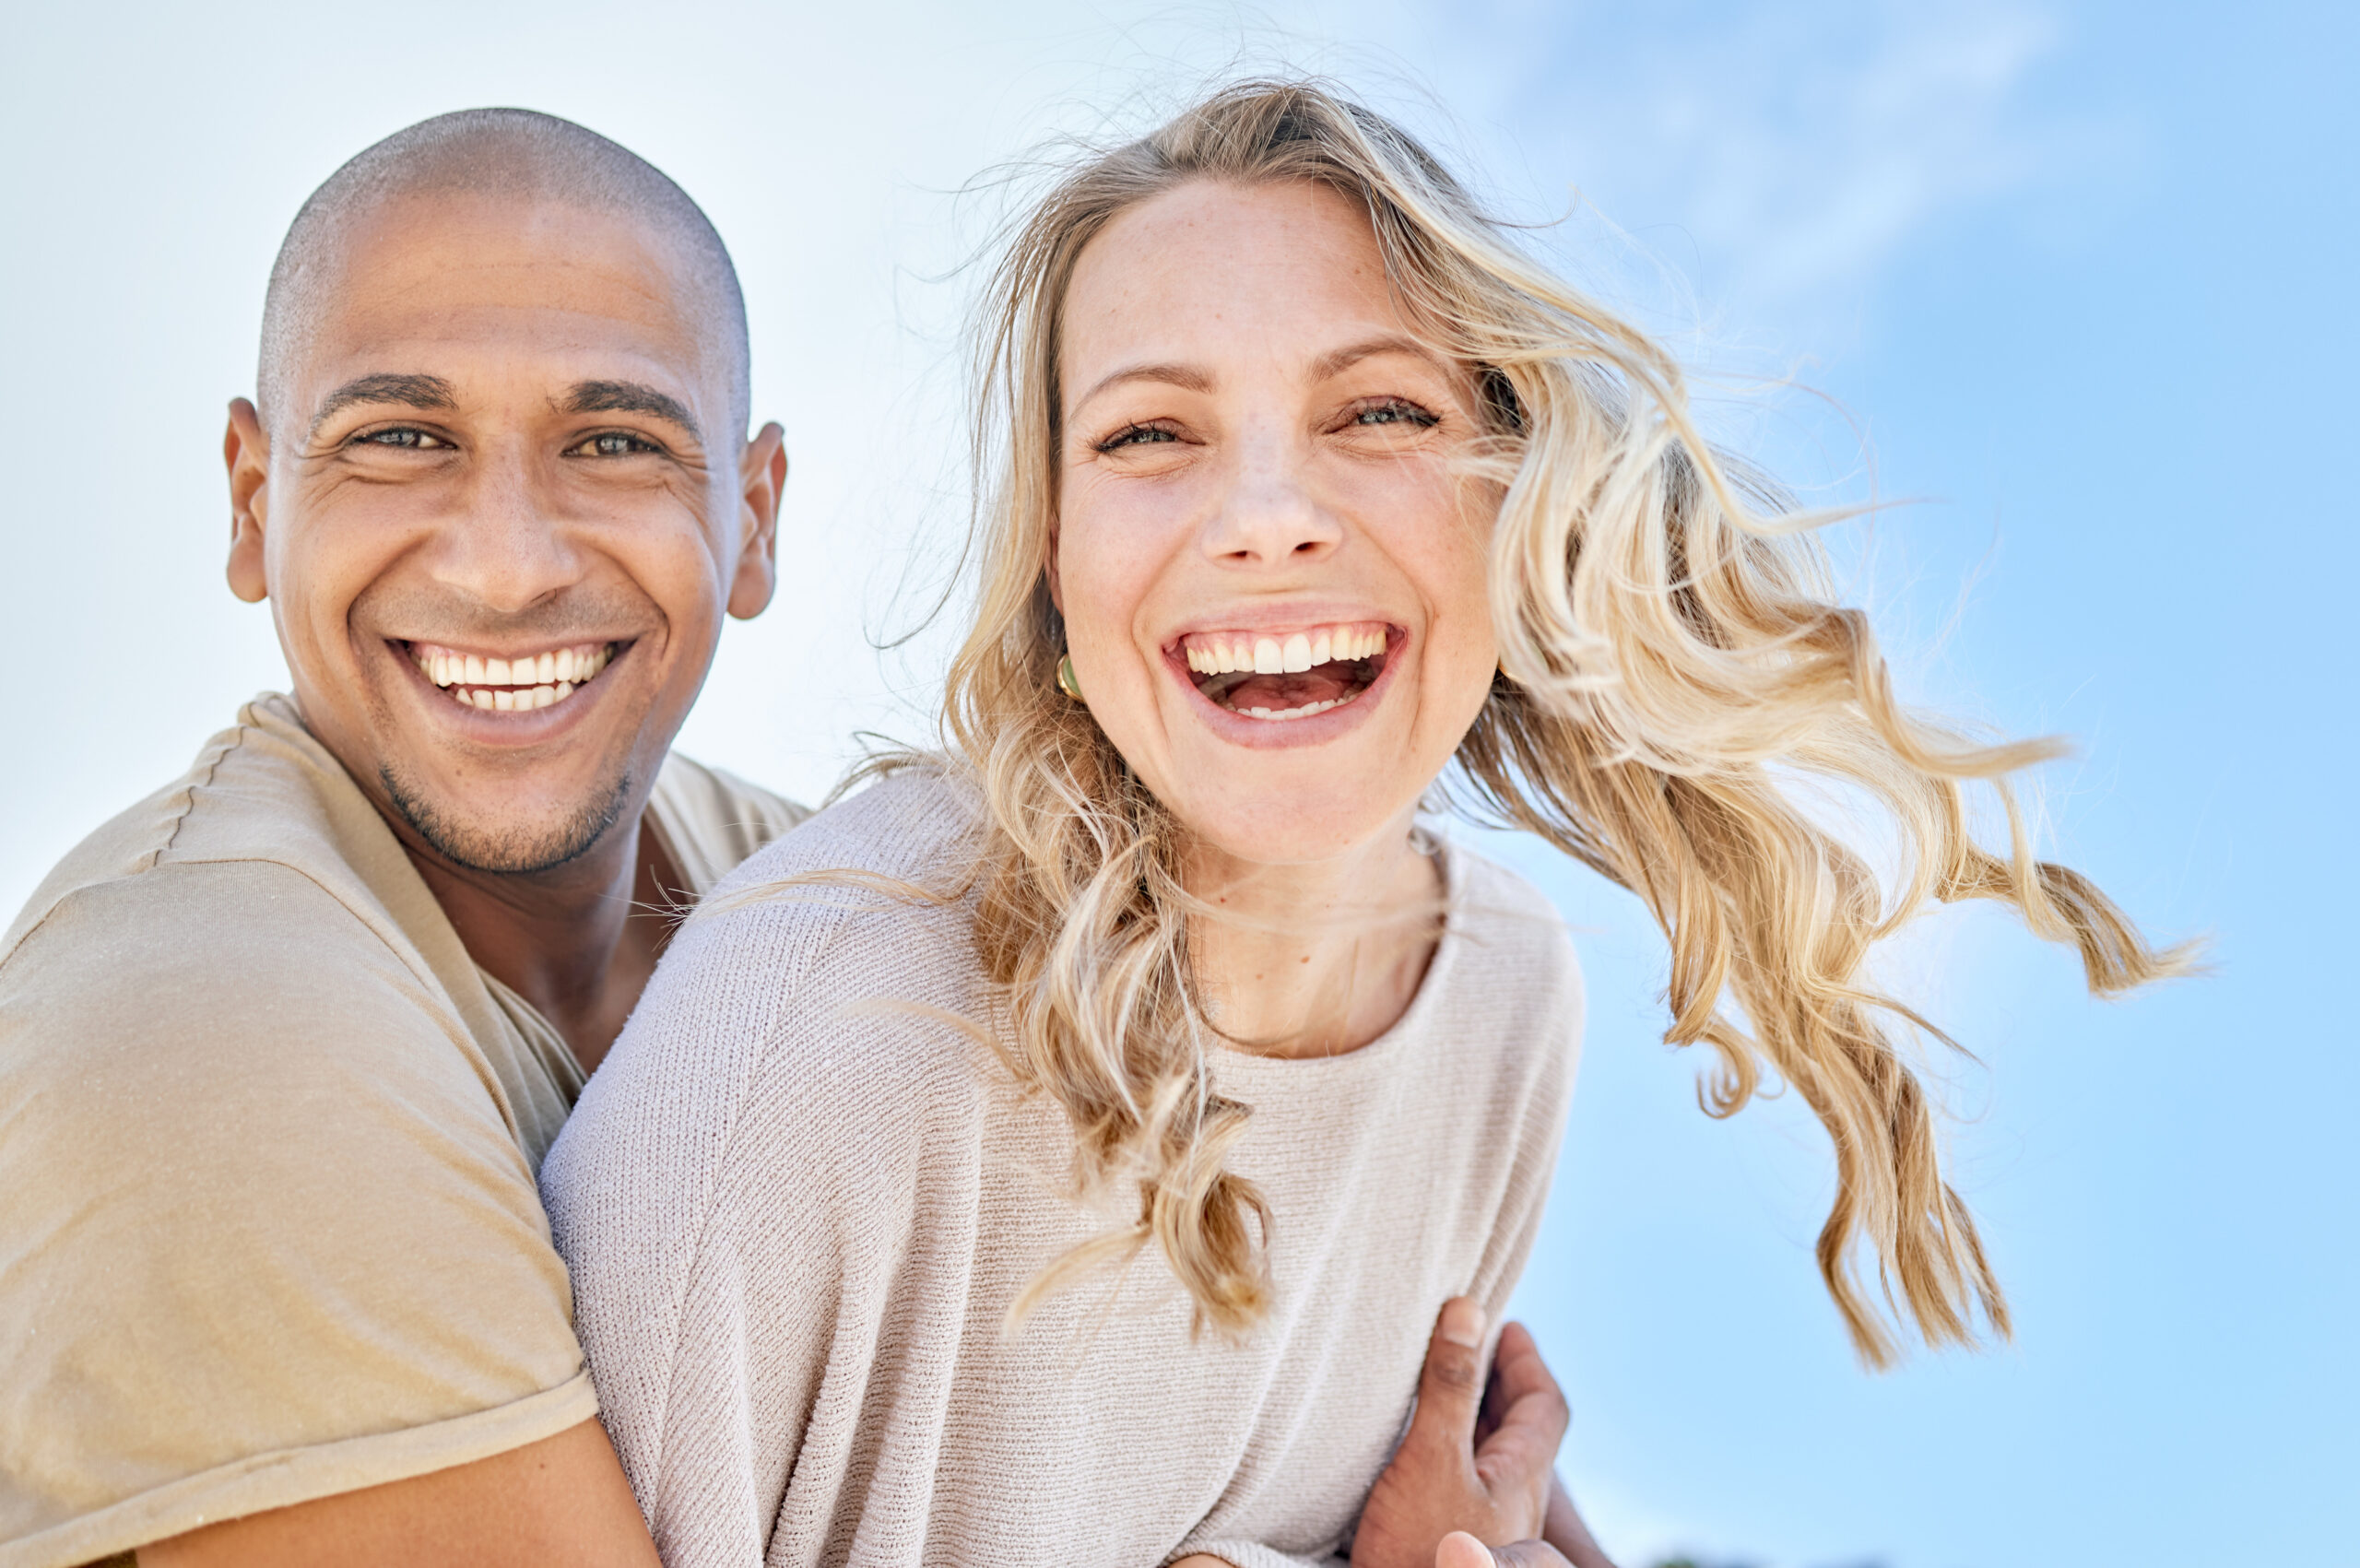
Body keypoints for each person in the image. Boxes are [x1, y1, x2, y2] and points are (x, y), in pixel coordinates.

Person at [542, 77, 2188, 1568]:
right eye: (1149, 434)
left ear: (1512, 493)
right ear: (1054, 548)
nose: (1267, 517)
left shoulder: (1505, 1001)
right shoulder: (817, 1029)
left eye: (1381, 414)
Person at [0, 109, 801, 1568]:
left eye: (614, 439)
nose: (505, 565)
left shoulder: (806, 887)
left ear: (752, 521)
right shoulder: (195, 1013)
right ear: (255, 504)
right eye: (400, 439)